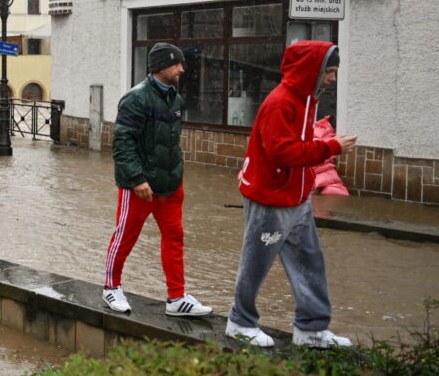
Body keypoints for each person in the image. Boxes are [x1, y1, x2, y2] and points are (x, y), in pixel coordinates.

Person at [225, 41, 356, 349]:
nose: (333, 79)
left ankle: (311, 330)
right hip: (270, 200)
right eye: (330, 72)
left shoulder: (306, 100)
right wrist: (331, 147)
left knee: (310, 262)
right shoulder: (281, 102)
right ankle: (240, 323)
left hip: (297, 199)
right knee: (255, 264)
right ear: (313, 71)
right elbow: (282, 152)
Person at [102, 43, 212, 318]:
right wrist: (136, 179)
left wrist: (177, 173)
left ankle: (177, 298)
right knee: (125, 236)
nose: (182, 70)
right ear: (161, 66)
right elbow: (123, 143)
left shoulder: (175, 100)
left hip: (171, 185)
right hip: (140, 187)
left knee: (175, 238)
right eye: (177, 64)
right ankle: (110, 288)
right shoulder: (135, 98)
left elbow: (171, 142)